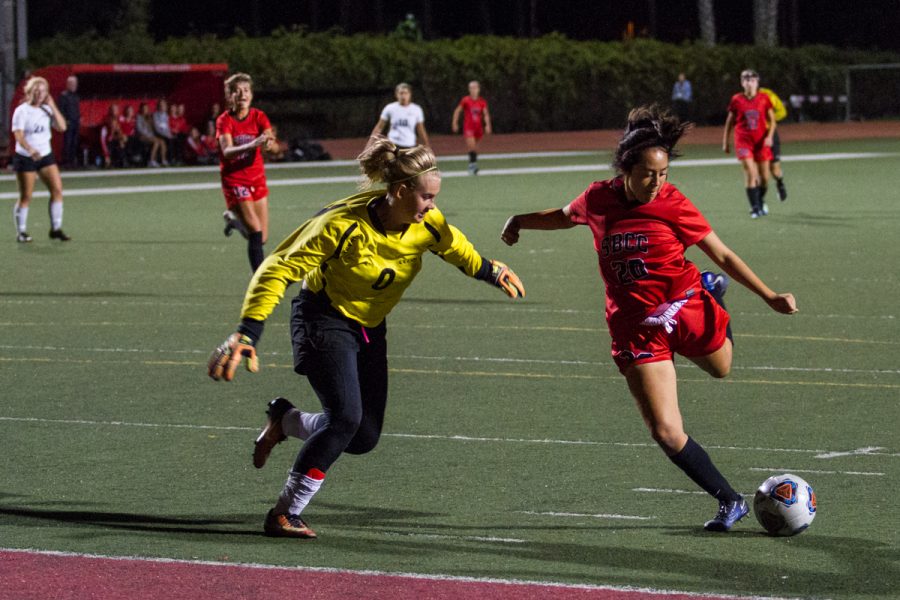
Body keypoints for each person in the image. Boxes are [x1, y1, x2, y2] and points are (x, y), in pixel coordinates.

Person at [207, 136, 525, 539]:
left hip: (369, 327)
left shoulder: (426, 222)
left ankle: (285, 420)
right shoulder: (341, 225)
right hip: (322, 319)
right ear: (399, 191)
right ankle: (285, 512)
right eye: (426, 197)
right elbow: (277, 268)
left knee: (361, 437)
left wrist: (487, 270)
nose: (432, 206)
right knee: (345, 419)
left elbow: (452, 244)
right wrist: (247, 331)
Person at [500, 105, 797, 532]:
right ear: (626, 168)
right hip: (635, 328)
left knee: (722, 369)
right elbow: (565, 217)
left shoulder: (673, 203)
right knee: (665, 431)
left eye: (664, 174)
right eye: (648, 174)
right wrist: (519, 221)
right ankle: (729, 500)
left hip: (684, 306)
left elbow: (724, 253)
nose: (657, 183)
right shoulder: (598, 198)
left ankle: (713, 293)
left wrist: (769, 296)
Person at [215, 72, 277, 270]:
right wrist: (252, 144)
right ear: (229, 96)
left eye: (246, 90)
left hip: (257, 179)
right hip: (235, 181)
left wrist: (269, 144)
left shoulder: (259, 116)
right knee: (256, 231)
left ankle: (235, 223)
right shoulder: (224, 121)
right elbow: (227, 151)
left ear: (251, 94)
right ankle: (260, 285)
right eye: (237, 91)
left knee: (262, 238)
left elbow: (270, 141)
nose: (242, 94)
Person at [11, 76, 71, 242]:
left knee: (57, 191)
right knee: (26, 196)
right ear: (29, 92)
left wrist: (52, 105)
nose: (39, 94)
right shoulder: (22, 111)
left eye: (43, 91)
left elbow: (62, 127)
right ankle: (21, 232)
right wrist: (30, 150)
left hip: (45, 155)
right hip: (26, 157)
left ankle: (56, 228)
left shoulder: (47, 109)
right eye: (36, 90)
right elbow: (19, 135)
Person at [722, 69, 776, 218]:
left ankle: (759, 200)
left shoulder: (764, 98)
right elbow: (729, 122)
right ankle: (755, 208)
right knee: (752, 174)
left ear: (757, 82)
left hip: (760, 142)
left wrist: (769, 136)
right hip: (743, 142)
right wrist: (725, 141)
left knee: (765, 178)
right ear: (742, 83)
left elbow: (772, 121)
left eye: (752, 80)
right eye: (746, 80)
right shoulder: (737, 99)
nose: (749, 83)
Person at [370, 83, 429, 149]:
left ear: (410, 94)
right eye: (401, 93)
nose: (403, 96)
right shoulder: (390, 108)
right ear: (396, 94)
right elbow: (379, 127)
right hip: (393, 145)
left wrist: (427, 146)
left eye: (406, 93)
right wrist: (369, 144)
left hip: (409, 145)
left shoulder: (416, 109)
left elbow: (421, 130)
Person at [451, 80, 492, 175]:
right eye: (471, 88)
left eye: (475, 88)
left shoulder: (482, 102)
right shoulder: (465, 100)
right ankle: (473, 166)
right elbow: (457, 111)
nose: (473, 90)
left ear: (478, 89)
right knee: (472, 146)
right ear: (469, 89)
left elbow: (485, 114)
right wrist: (454, 123)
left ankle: (471, 165)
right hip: (468, 128)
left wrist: (488, 125)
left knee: (474, 148)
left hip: (478, 128)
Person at [759, 86, 788, 201]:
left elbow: (782, 112)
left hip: (770, 135)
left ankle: (780, 183)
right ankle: (759, 202)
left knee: (775, 171)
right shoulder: (742, 99)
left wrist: (769, 119)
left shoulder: (769, 96)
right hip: (755, 137)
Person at [57, 75, 80, 167]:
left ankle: (72, 160)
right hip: (68, 122)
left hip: (76, 122)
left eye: (75, 83)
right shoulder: (64, 96)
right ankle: (66, 161)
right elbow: (61, 109)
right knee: (67, 142)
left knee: (74, 142)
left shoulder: (76, 96)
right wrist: (64, 120)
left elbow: (76, 109)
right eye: (72, 84)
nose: (74, 85)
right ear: (68, 84)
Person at [136, 102, 166, 167]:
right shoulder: (138, 117)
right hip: (142, 136)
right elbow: (139, 129)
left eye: (146, 109)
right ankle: (151, 160)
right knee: (156, 142)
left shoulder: (149, 117)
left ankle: (163, 160)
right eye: (143, 109)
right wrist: (149, 136)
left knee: (162, 142)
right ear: (141, 109)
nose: (145, 110)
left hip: (151, 136)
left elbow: (153, 128)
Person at [99, 103, 127, 168]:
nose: (114, 111)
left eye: (115, 110)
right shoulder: (105, 127)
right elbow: (103, 141)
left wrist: (121, 137)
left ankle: (124, 161)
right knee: (120, 142)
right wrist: (106, 155)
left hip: (114, 142)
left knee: (122, 141)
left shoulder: (120, 121)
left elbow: (121, 134)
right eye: (112, 110)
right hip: (108, 144)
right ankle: (110, 162)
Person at [152, 99, 173, 166]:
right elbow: (157, 128)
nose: (162, 107)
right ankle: (162, 160)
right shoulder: (155, 115)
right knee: (162, 142)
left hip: (165, 135)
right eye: (161, 105)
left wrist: (169, 134)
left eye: (164, 105)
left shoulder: (166, 116)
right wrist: (166, 135)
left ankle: (172, 159)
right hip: (157, 134)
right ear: (158, 106)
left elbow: (167, 127)